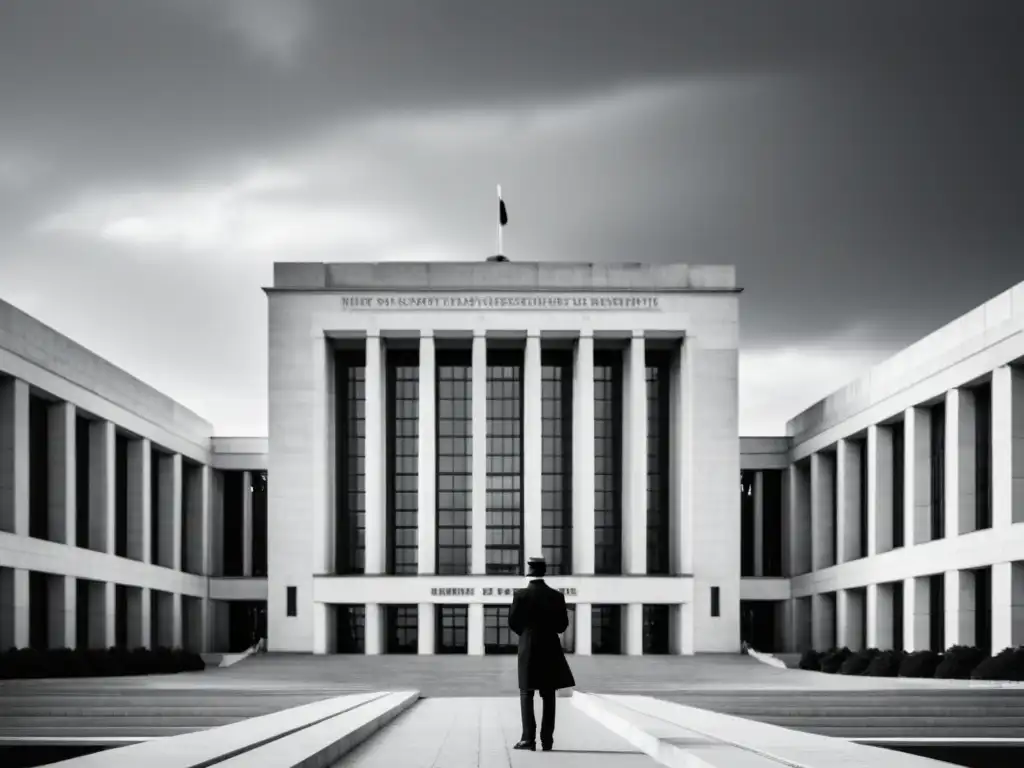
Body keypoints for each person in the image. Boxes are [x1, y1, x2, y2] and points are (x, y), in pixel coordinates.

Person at [508, 556, 576, 752]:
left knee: (526, 693)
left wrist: (527, 633)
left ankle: (528, 738)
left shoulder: (520, 595)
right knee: (548, 694)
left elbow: (513, 622)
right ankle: (547, 739)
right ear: (544, 572)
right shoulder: (557, 596)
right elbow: (562, 626)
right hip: (550, 647)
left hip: (528, 647)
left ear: (529, 572)